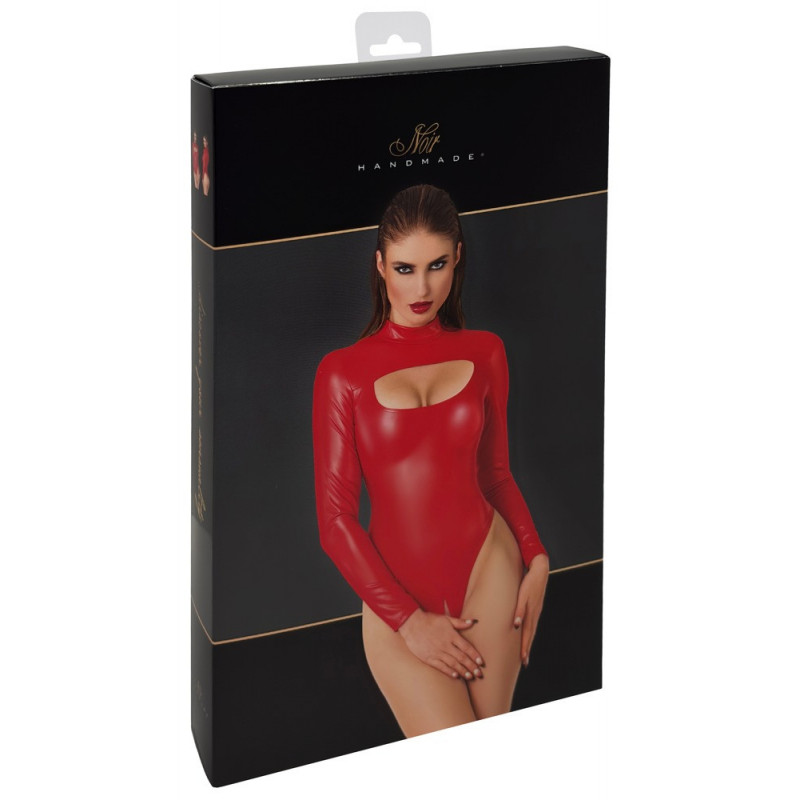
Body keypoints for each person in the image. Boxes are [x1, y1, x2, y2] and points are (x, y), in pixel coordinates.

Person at [312, 184, 549, 736]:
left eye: (437, 265)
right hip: (398, 593)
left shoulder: (486, 351)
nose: (421, 288)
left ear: (458, 257)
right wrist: (407, 621)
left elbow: (495, 475)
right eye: (405, 269)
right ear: (380, 266)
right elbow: (335, 521)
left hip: (490, 569)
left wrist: (536, 556)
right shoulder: (341, 373)